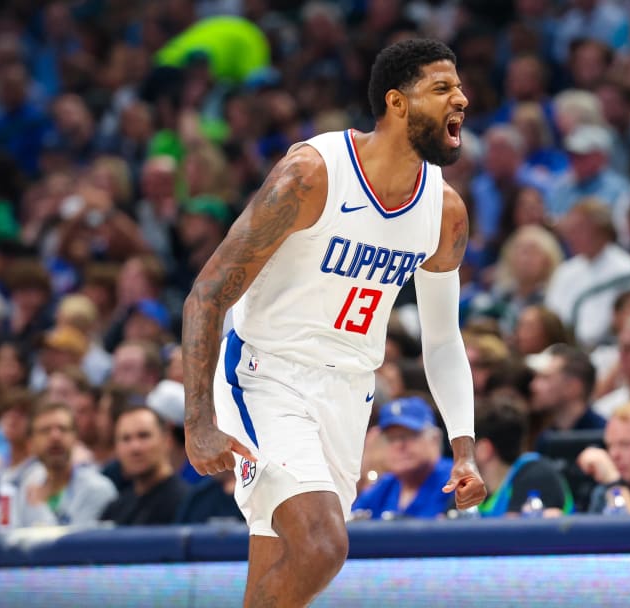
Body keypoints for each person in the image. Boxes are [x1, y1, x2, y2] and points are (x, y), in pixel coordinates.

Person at [181, 39, 486, 607]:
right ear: (397, 104)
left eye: (460, 87)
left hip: (349, 393)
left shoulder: (445, 212)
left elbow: (443, 342)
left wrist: (463, 447)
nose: (461, 99)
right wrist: (197, 417)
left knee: (282, 569)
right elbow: (206, 293)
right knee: (324, 545)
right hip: (265, 374)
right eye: (443, 89)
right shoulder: (312, 174)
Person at [350, 397, 455, 520]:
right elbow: (350, 525)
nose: (398, 446)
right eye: (391, 438)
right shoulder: (385, 485)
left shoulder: (455, 479)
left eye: (409, 436)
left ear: (435, 439)